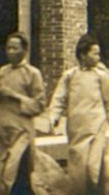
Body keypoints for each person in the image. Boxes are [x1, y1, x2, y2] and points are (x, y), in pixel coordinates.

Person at [47, 33, 109, 195]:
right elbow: (59, 98)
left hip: (97, 127)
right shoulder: (70, 76)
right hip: (76, 129)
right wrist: (54, 117)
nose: (98, 57)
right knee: (78, 170)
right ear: (83, 55)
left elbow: (108, 101)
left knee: (93, 166)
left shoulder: (101, 76)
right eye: (94, 53)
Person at [0, 32, 46, 195]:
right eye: (8, 48)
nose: (10, 51)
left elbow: (40, 104)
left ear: (24, 51)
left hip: (21, 133)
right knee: (2, 175)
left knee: (16, 176)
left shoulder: (32, 73)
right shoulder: (2, 72)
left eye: (15, 48)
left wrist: (15, 96)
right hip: (4, 133)